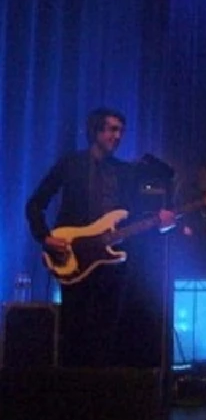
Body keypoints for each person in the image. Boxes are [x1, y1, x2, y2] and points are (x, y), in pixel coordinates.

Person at [25, 107, 175, 367]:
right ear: (96, 130)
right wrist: (45, 237)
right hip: (73, 254)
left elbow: (135, 213)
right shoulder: (70, 164)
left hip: (111, 263)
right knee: (74, 330)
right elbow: (35, 203)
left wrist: (161, 221)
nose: (117, 136)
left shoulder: (125, 171)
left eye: (121, 131)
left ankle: (103, 392)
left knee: (108, 333)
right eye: (112, 129)